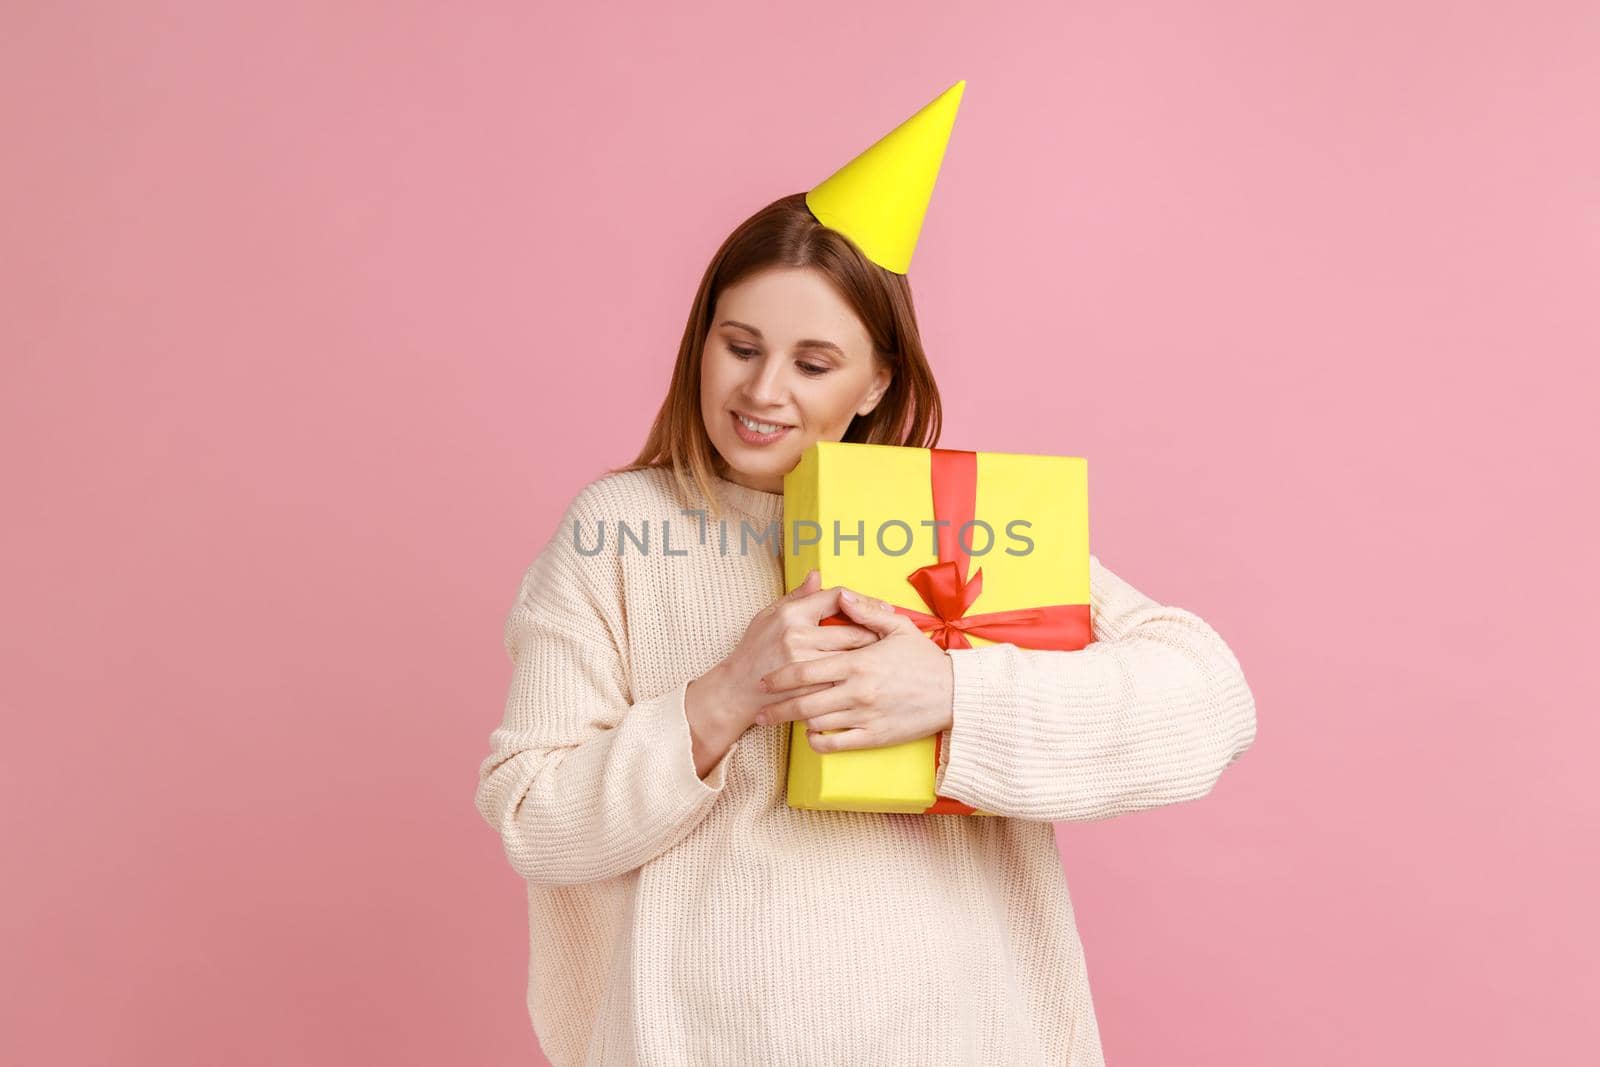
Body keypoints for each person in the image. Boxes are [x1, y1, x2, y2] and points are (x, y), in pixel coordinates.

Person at [474, 82, 1257, 1066]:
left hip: (964, 1036)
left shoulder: (951, 522)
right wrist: (721, 698)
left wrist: (953, 691)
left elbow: (1208, 701)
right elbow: (534, 821)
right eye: (741, 346)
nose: (762, 391)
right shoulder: (621, 529)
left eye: (812, 362)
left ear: (876, 380)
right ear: (700, 340)